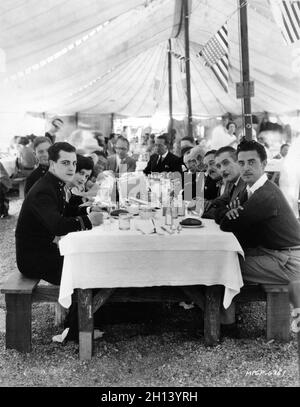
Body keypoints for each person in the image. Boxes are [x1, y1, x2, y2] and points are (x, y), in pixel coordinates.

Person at [15, 142, 103, 286]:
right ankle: (80, 307)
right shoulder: (44, 190)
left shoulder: (55, 183)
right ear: (52, 164)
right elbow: (58, 226)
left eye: (74, 163)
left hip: (46, 251)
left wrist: (89, 210)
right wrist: (88, 220)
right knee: (88, 269)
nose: (71, 168)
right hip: (34, 259)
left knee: (88, 258)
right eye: (65, 163)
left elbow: (66, 210)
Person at [219, 140, 300, 290]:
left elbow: (227, 225)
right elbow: (234, 222)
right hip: (274, 252)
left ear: (263, 164)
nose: (246, 168)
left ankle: (219, 310)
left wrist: (231, 216)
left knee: (225, 266)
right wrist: (231, 215)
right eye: (241, 163)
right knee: (226, 255)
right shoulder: (250, 189)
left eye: (251, 162)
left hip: (291, 262)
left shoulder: (265, 194)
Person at [202, 146, 247, 220]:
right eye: (219, 166)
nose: (222, 169)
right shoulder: (230, 181)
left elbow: (235, 217)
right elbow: (221, 201)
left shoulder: (248, 184)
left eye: (226, 163)